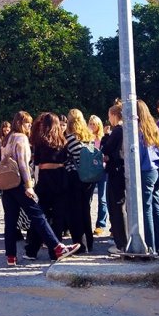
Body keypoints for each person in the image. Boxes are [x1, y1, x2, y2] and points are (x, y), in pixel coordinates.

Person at [1, 111, 79, 267]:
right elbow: (23, 164)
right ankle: (57, 248)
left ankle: (11, 256)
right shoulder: (23, 138)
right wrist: (29, 186)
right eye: (27, 123)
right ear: (20, 123)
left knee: (10, 220)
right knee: (39, 215)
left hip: (8, 183)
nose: (30, 126)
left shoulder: (8, 139)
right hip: (22, 183)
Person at [24, 112, 72, 260]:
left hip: (45, 178)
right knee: (58, 216)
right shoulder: (63, 141)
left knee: (40, 217)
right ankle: (55, 252)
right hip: (61, 177)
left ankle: (32, 250)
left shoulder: (40, 141)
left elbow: (37, 163)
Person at [137, 100, 159, 257]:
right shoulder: (152, 127)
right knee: (156, 208)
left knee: (146, 209)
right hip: (155, 170)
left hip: (145, 171)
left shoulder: (138, 130)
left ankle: (150, 247)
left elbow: (138, 155)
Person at [64, 108, 95, 254]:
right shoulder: (89, 136)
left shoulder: (69, 137)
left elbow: (66, 157)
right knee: (85, 209)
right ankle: (89, 241)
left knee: (74, 211)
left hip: (75, 176)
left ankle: (80, 244)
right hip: (89, 177)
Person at [102, 102, 128, 254]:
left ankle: (121, 243)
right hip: (121, 170)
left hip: (116, 171)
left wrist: (105, 136)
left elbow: (106, 149)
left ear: (113, 115)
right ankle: (122, 241)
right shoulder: (125, 129)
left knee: (117, 207)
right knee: (120, 206)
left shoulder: (118, 131)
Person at [88, 114, 109, 237]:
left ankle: (100, 224)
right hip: (90, 170)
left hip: (102, 170)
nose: (92, 126)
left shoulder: (103, 138)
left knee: (102, 198)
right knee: (88, 197)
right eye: (90, 123)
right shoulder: (87, 138)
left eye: (94, 124)